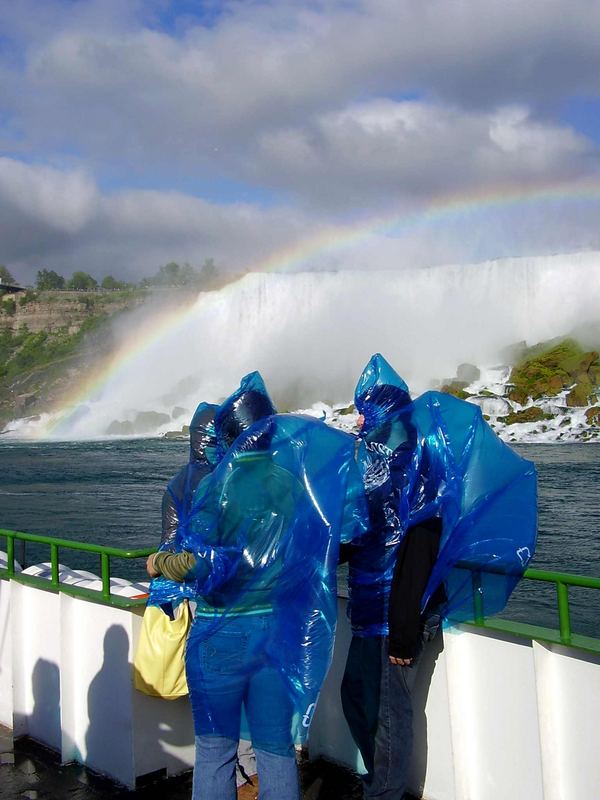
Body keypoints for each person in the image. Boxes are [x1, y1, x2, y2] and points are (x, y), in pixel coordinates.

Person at [147, 371, 368, 800]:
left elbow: (199, 564)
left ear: (228, 436)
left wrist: (161, 563)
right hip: (275, 631)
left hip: (220, 636)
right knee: (276, 749)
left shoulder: (217, 486)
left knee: (215, 750)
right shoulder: (290, 483)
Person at [341, 354, 444, 800]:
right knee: (357, 701)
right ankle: (380, 786)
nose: (358, 417)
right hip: (369, 610)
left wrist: (404, 626)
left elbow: (420, 544)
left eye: (364, 407)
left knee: (387, 716)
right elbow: (361, 534)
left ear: (383, 407)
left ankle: (384, 794)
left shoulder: (415, 462)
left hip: (396, 615)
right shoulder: (373, 464)